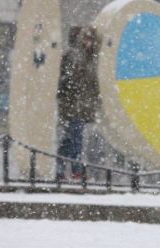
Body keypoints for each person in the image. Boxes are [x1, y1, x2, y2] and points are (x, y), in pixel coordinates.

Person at [56, 26, 101, 180]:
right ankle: (77, 171)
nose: (89, 42)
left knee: (69, 139)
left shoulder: (89, 58)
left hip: (80, 106)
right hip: (74, 106)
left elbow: (92, 85)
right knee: (76, 139)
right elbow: (69, 82)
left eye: (91, 39)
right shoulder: (74, 55)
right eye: (86, 38)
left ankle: (60, 168)